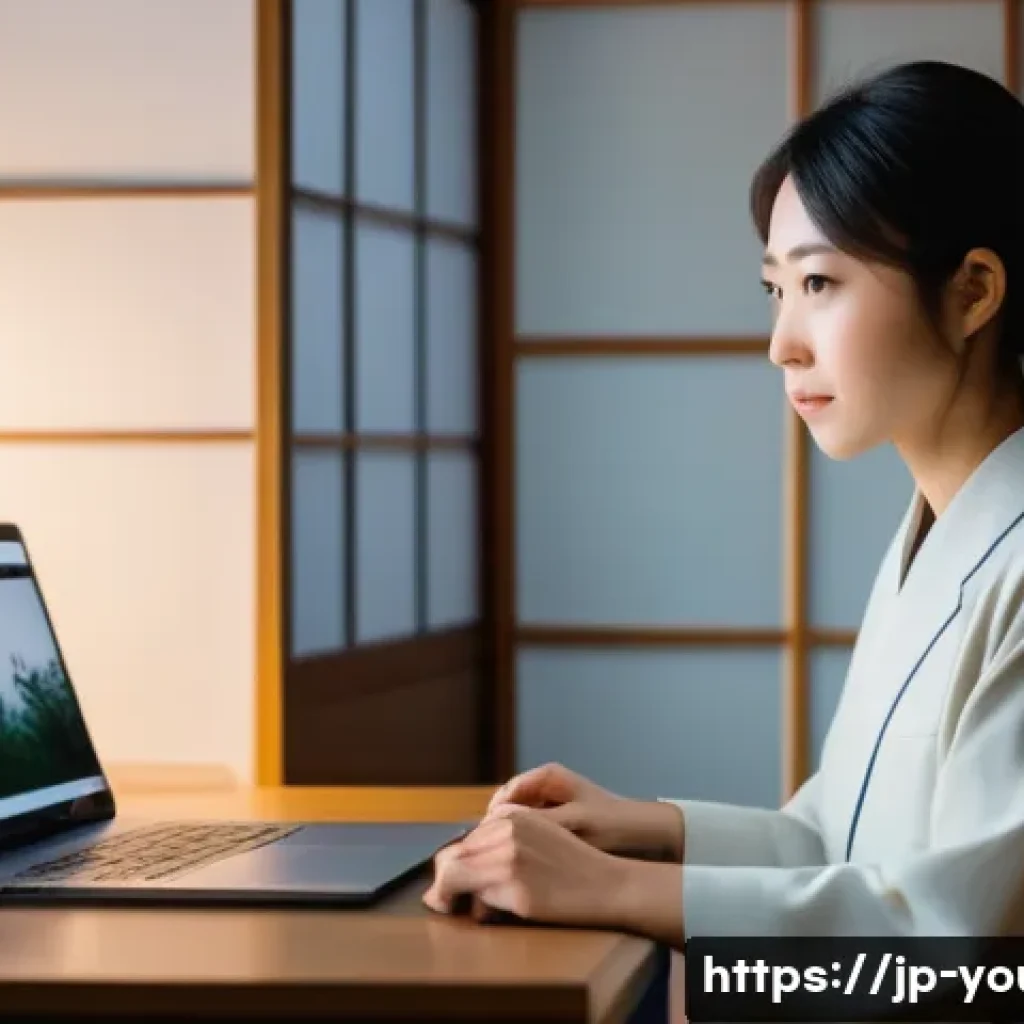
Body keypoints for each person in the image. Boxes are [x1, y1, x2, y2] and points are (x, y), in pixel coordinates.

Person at [424, 59, 1024, 943]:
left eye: (820, 283)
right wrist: (646, 828)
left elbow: (958, 944)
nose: (783, 344)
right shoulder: (937, 532)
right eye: (775, 291)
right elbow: (841, 840)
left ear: (973, 290)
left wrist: (610, 892)